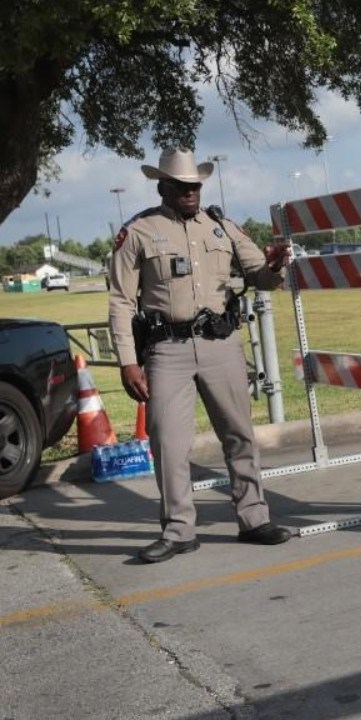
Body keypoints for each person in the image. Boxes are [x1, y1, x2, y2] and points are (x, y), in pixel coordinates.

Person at [109, 148, 294, 563]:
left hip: (220, 344)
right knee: (170, 444)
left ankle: (254, 518)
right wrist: (127, 360)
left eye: (196, 185)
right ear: (163, 187)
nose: (191, 192)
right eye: (182, 186)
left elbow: (260, 276)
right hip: (166, 350)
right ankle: (178, 531)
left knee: (239, 434)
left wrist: (276, 265)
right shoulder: (139, 231)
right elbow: (121, 301)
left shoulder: (222, 227)